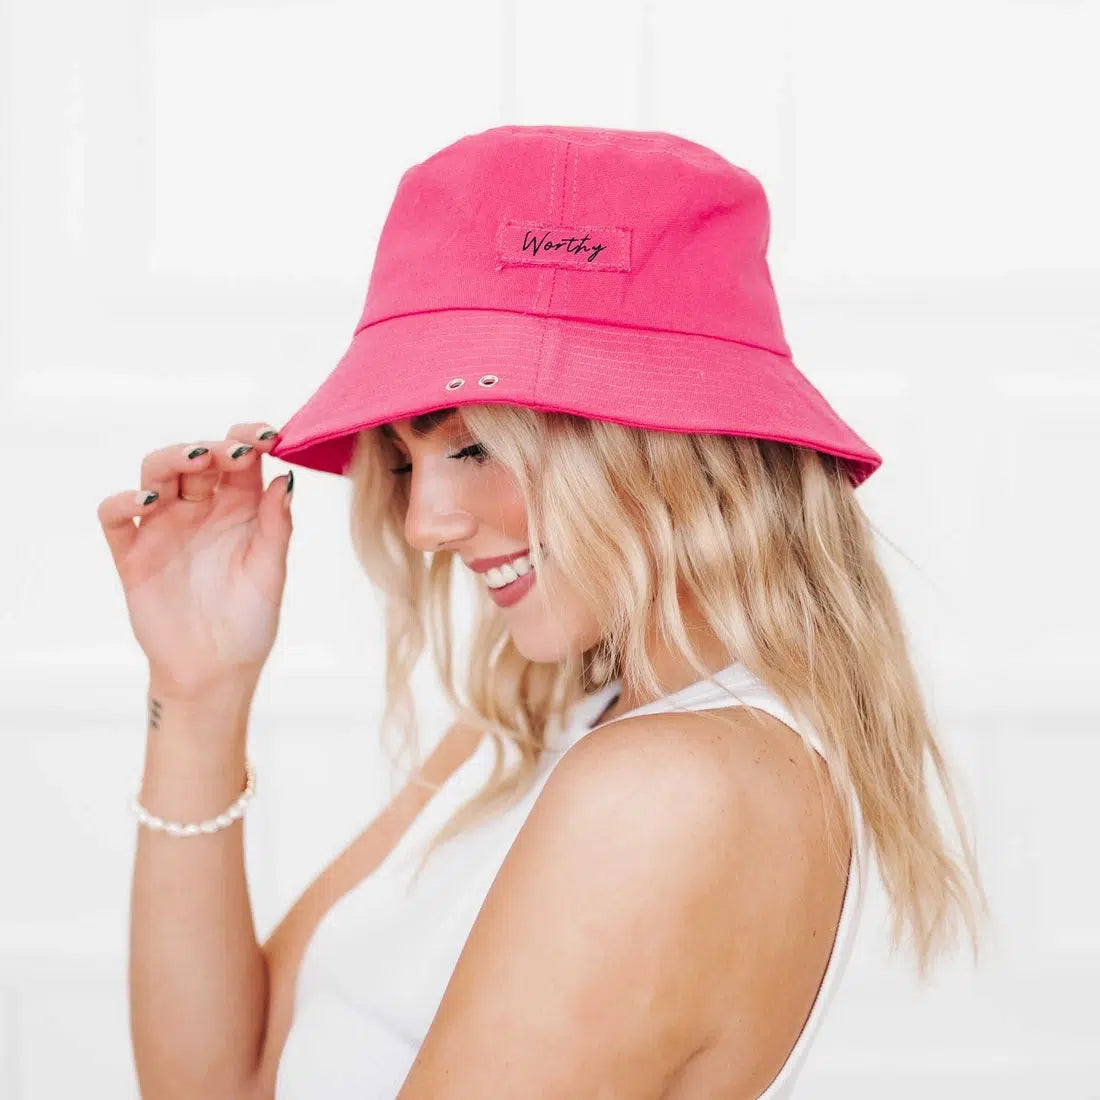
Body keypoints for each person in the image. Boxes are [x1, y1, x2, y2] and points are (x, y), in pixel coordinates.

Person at [100, 125, 989, 1099]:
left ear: (667, 440)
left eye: (475, 446)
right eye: (402, 458)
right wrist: (199, 692)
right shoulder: (547, 719)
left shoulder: (666, 792)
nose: (424, 523)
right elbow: (225, 1082)